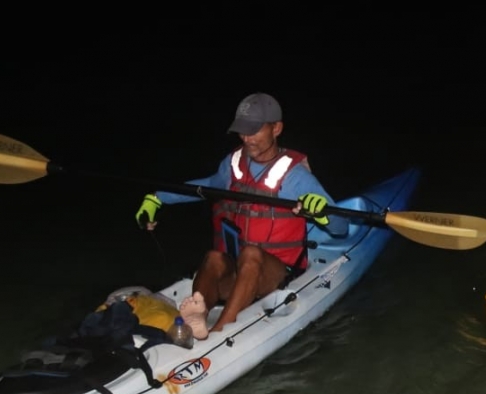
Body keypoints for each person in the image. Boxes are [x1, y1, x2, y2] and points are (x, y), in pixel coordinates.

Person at [135, 92, 347, 339]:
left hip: (277, 275)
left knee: (251, 254)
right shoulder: (232, 164)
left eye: (254, 130)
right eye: (242, 131)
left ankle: (219, 330)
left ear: (276, 128)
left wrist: (322, 213)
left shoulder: (296, 177)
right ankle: (198, 318)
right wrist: (158, 198)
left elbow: (341, 228)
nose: (247, 138)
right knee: (214, 257)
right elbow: (206, 187)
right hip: (239, 271)